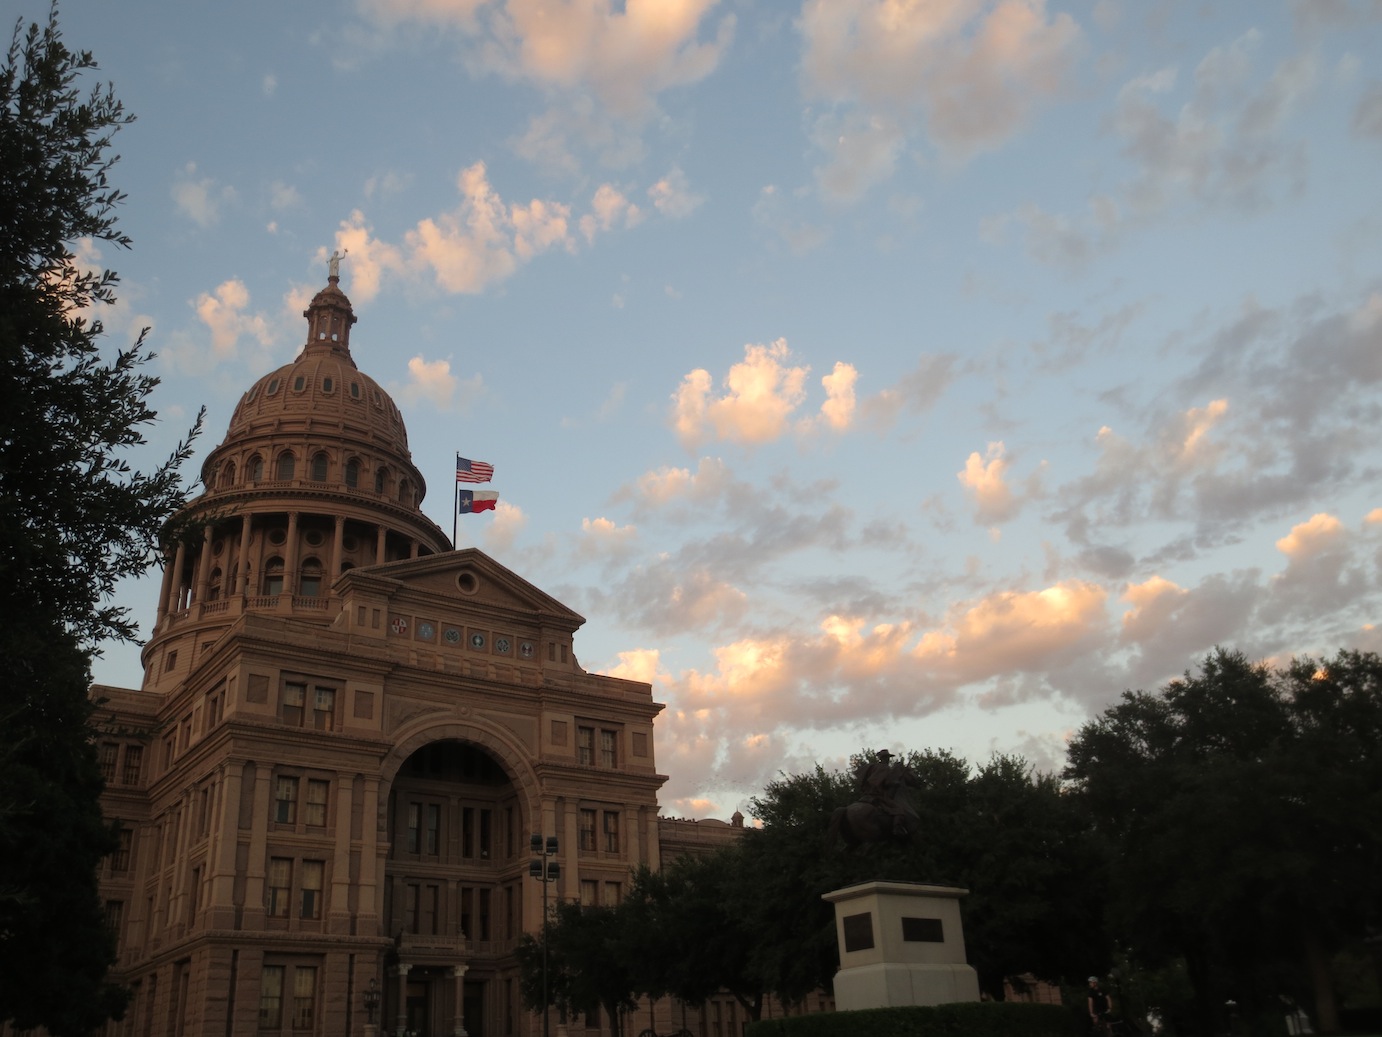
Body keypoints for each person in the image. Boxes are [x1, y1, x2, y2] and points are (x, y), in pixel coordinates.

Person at [856, 749, 918, 838]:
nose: (889, 760)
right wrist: (895, 783)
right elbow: (885, 782)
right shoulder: (885, 768)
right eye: (887, 758)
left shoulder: (875, 767)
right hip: (879, 794)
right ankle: (897, 828)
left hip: (868, 794)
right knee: (899, 810)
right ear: (884, 758)